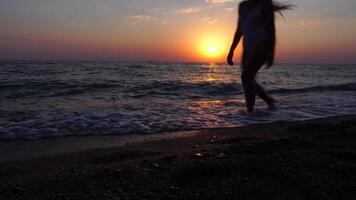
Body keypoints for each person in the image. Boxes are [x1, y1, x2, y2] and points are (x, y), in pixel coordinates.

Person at [227, 0, 293, 112]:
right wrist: (231, 50)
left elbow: (271, 29)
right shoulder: (242, 5)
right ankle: (269, 101)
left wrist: (271, 52)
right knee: (249, 79)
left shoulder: (265, 4)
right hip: (247, 47)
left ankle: (250, 113)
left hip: (262, 45)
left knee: (246, 77)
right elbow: (239, 30)